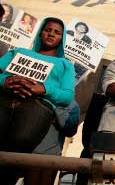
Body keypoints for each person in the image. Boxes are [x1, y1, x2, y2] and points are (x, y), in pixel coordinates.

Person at [0, 17, 75, 184]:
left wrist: (44, 89)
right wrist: (4, 81)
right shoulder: (18, 52)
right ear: (41, 32)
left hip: (37, 107)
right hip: (4, 100)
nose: (51, 34)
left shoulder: (65, 64)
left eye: (57, 32)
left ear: (61, 39)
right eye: (48, 30)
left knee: (17, 150)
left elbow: (67, 95)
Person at [25, 100, 80, 185]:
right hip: (33, 151)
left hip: (52, 153)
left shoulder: (72, 105)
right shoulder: (33, 96)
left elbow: (71, 130)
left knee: (45, 179)